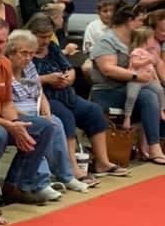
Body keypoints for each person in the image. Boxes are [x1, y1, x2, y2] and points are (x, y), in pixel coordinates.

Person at [0, 18, 56, 205]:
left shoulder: (4, 64)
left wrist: (17, 124)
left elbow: (7, 104)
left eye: (2, 42)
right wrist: (9, 125)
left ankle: (17, 187)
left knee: (45, 127)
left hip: (0, 120)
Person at [28, 12, 124, 178]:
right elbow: (22, 79)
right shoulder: (25, 51)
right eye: (42, 37)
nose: (46, 41)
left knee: (93, 111)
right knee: (66, 117)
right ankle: (71, 167)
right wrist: (47, 79)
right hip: (45, 98)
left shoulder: (52, 47)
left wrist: (69, 78)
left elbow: (69, 68)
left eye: (49, 36)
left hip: (66, 93)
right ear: (31, 34)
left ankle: (102, 162)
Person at [5, 30, 89, 192]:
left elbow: (40, 94)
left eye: (31, 54)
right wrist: (36, 118)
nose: (28, 58)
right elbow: (5, 104)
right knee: (41, 127)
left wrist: (47, 113)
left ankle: (66, 176)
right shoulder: (4, 70)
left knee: (55, 122)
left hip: (35, 111)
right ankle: (41, 182)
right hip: (16, 115)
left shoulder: (29, 67)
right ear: (11, 52)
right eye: (23, 53)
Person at [91, 0, 165, 165]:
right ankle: (154, 148)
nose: (143, 24)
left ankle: (155, 143)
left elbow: (156, 60)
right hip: (108, 91)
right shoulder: (107, 40)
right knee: (148, 96)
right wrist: (136, 76)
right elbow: (108, 69)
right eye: (140, 21)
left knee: (158, 93)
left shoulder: (136, 39)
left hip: (131, 88)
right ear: (129, 21)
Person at [123, 26, 165, 131]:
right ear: (145, 40)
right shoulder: (137, 51)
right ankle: (127, 117)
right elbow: (135, 63)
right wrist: (147, 61)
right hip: (136, 79)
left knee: (160, 91)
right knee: (131, 96)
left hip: (148, 79)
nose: (153, 41)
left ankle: (161, 110)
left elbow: (152, 68)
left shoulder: (151, 53)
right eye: (151, 39)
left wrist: (157, 80)